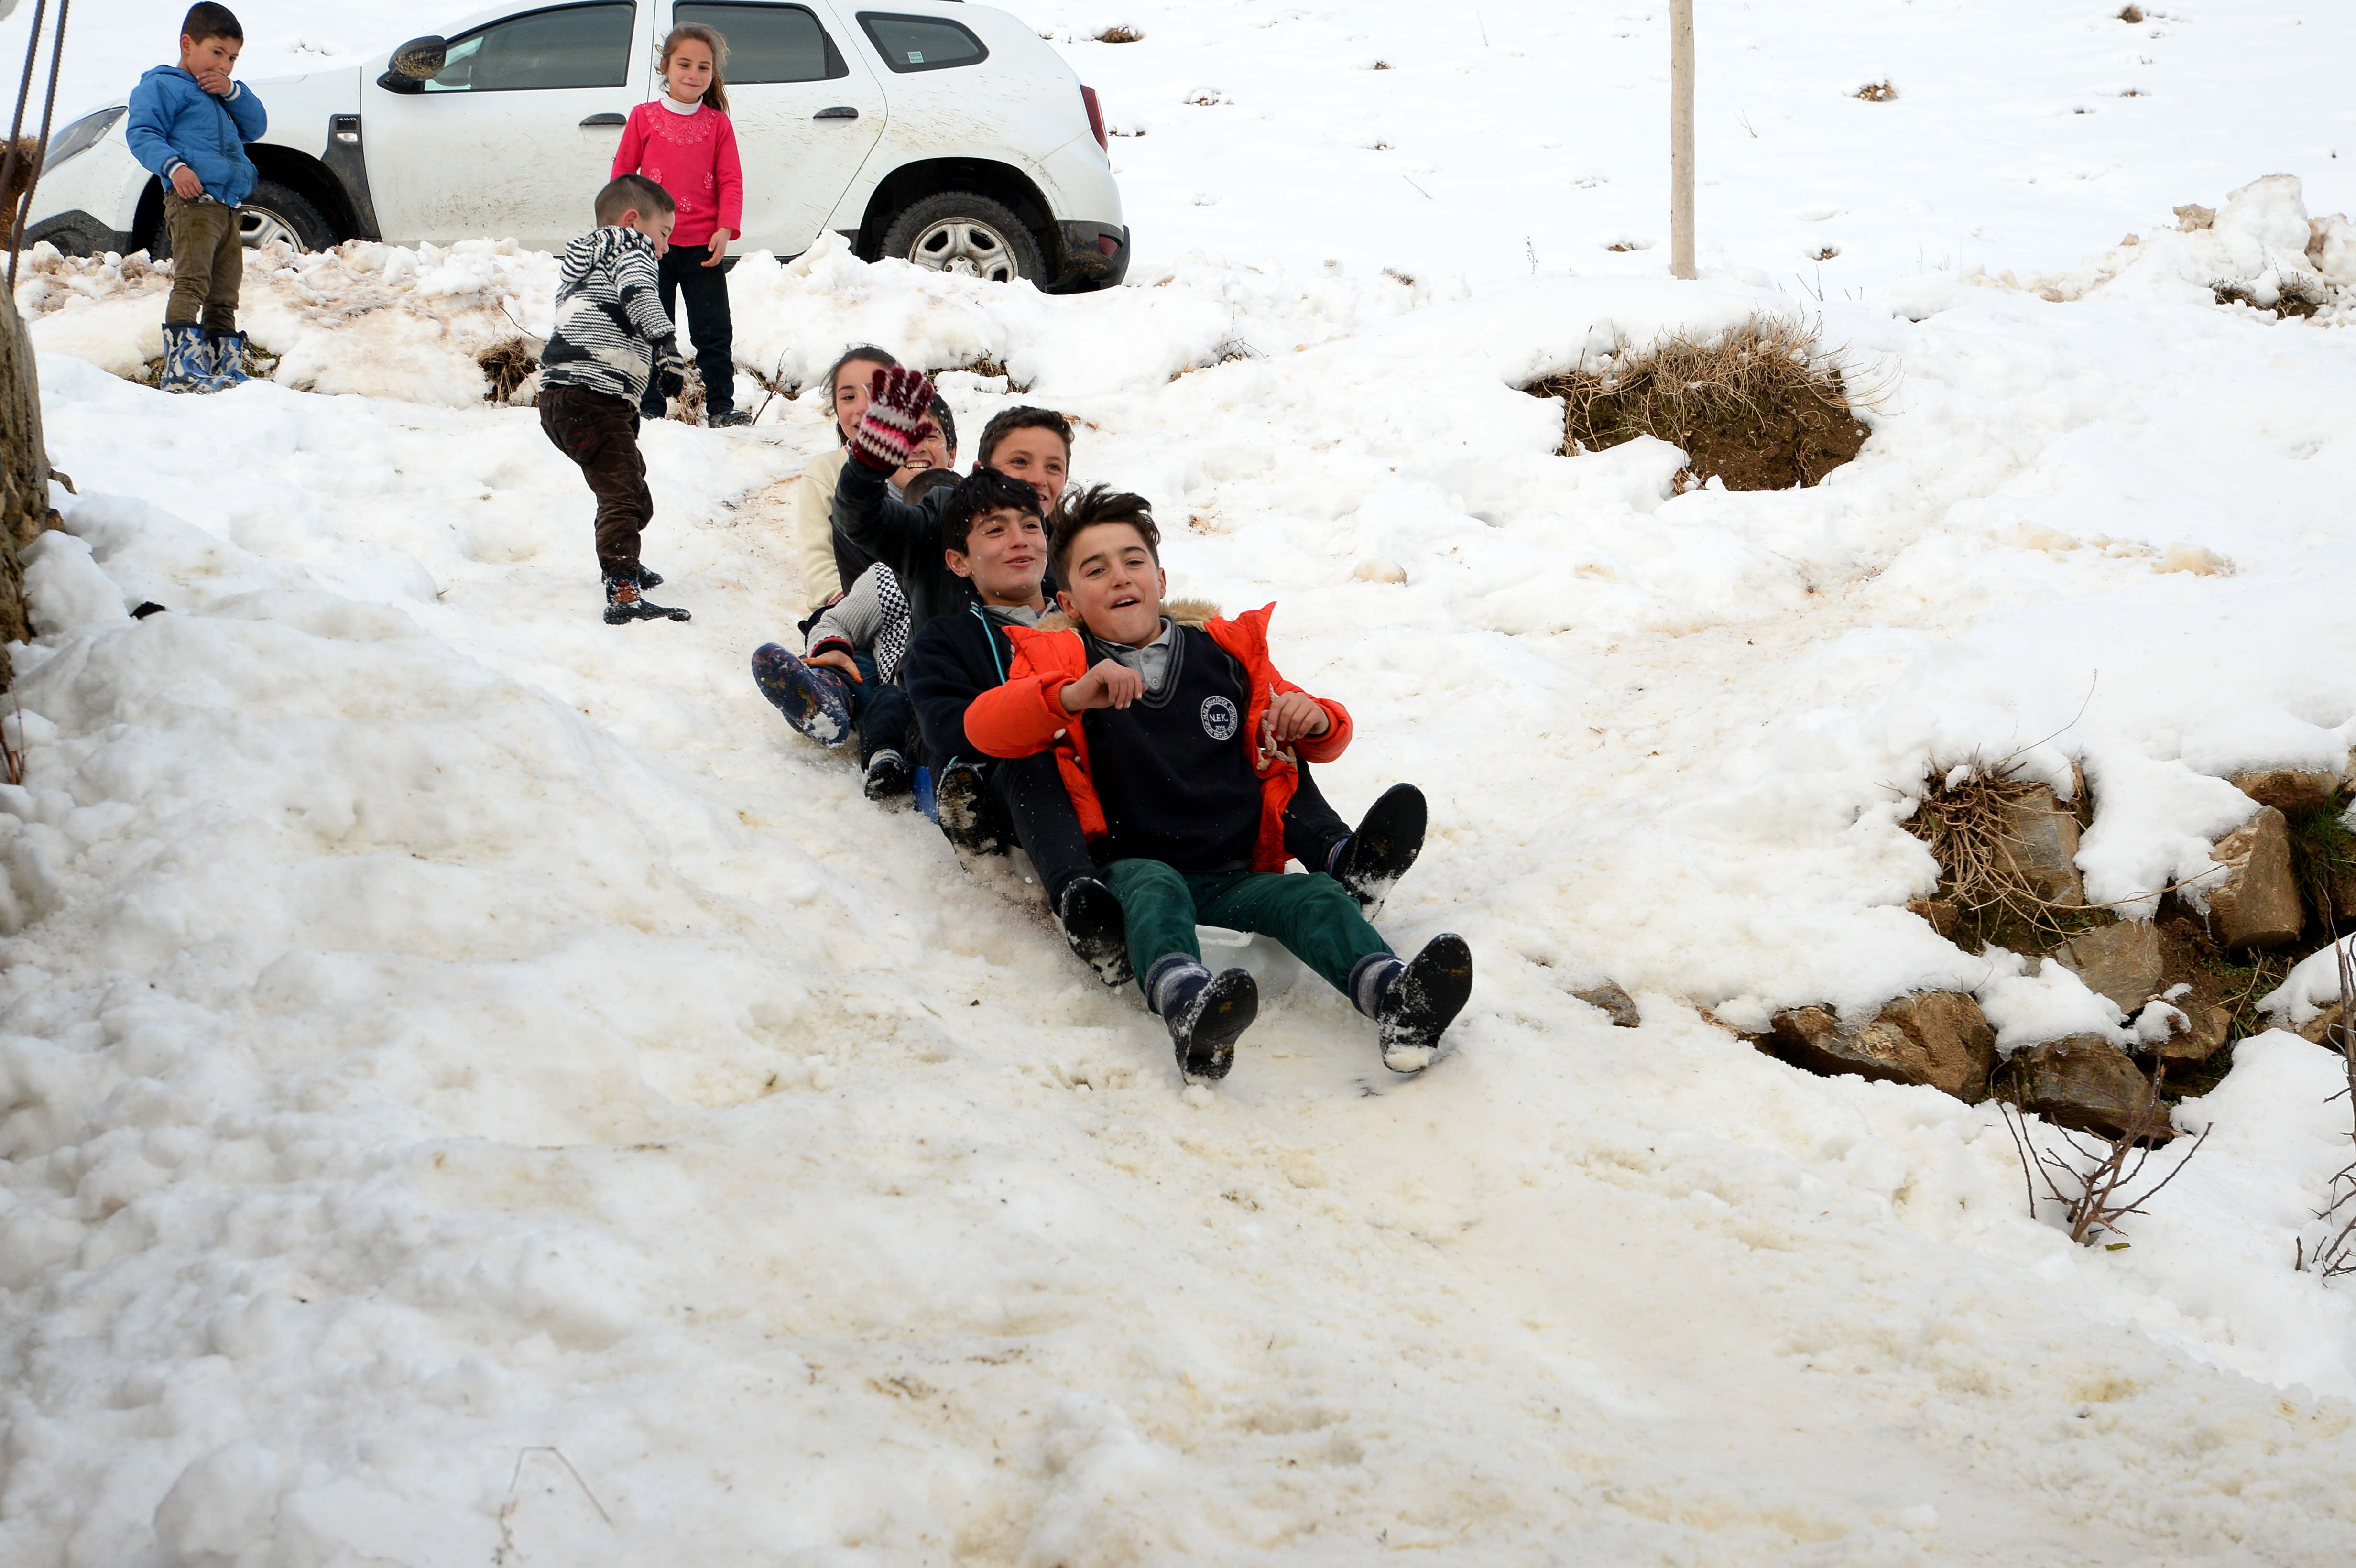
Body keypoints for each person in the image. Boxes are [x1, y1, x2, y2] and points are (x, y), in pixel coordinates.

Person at [960, 487, 1470, 1080]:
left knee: (1315, 898)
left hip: (1233, 872)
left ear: (1160, 578)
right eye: (1095, 570)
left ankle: (1396, 1000)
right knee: (1155, 890)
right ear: (1069, 602)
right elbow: (986, 730)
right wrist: (1070, 696)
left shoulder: (1223, 653)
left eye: (1133, 561)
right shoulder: (1062, 661)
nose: (1120, 578)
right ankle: (1189, 1012)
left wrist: (1315, 715)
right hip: (1134, 865)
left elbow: (1317, 736)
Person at [536, 174, 691, 625]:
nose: (664, 248)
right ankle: (622, 589)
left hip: (566, 399)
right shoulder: (630, 247)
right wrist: (665, 346)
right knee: (622, 494)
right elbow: (640, 295)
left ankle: (625, 559)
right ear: (632, 220)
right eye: (663, 234)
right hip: (591, 397)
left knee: (632, 490)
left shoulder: (587, 262)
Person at [611, 22, 748, 426]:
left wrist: (726, 229)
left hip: (703, 247)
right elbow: (623, 175)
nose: (694, 74)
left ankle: (721, 407)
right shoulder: (644, 117)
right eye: (684, 64)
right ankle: (651, 408)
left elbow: (731, 180)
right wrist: (624, 230)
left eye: (704, 67)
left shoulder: (718, 124)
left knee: (714, 332)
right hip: (650, 249)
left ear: (712, 74)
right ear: (665, 68)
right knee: (651, 327)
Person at [126, 4, 267, 394]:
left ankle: (225, 367)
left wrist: (234, 93)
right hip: (192, 201)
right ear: (188, 44)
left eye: (233, 58)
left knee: (225, 289)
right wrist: (175, 167)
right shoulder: (163, 86)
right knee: (193, 281)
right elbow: (142, 132)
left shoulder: (224, 94)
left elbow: (257, 125)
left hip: (227, 205)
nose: (225, 65)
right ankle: (182, 368)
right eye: (217, 52)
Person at [793, 346, 954, 615]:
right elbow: (818, 557)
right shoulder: (826, 471)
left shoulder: (921, 458)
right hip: (852, 609)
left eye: (876, 393)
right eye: (848, 397)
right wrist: (853, 609)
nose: (862, 407)